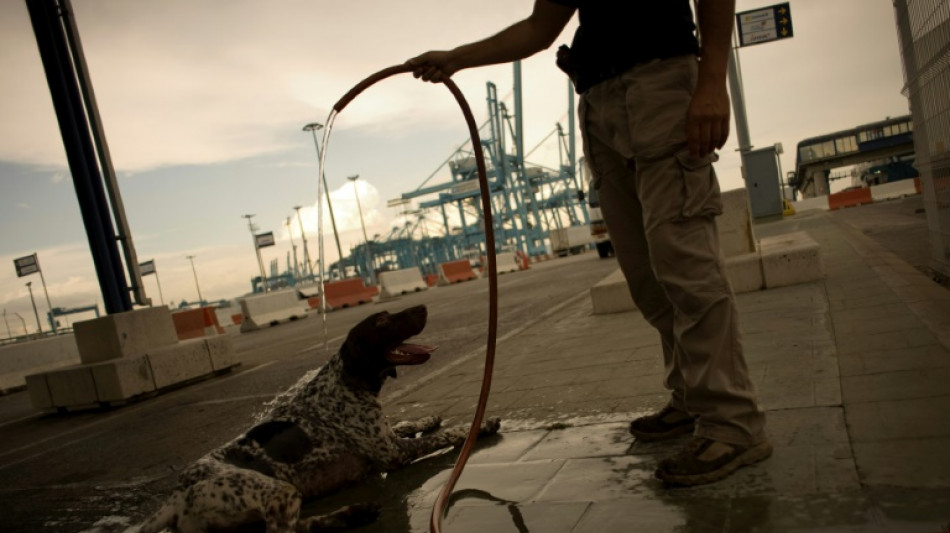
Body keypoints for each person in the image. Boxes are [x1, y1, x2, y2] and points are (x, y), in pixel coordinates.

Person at [407, 0, 770, 486]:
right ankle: (689, 398)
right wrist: (456, 57)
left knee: (686, 267)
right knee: (646, 277)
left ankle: (733, 425)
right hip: (599, 103)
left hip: (661, 84)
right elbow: (541, 27)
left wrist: (711, 82)